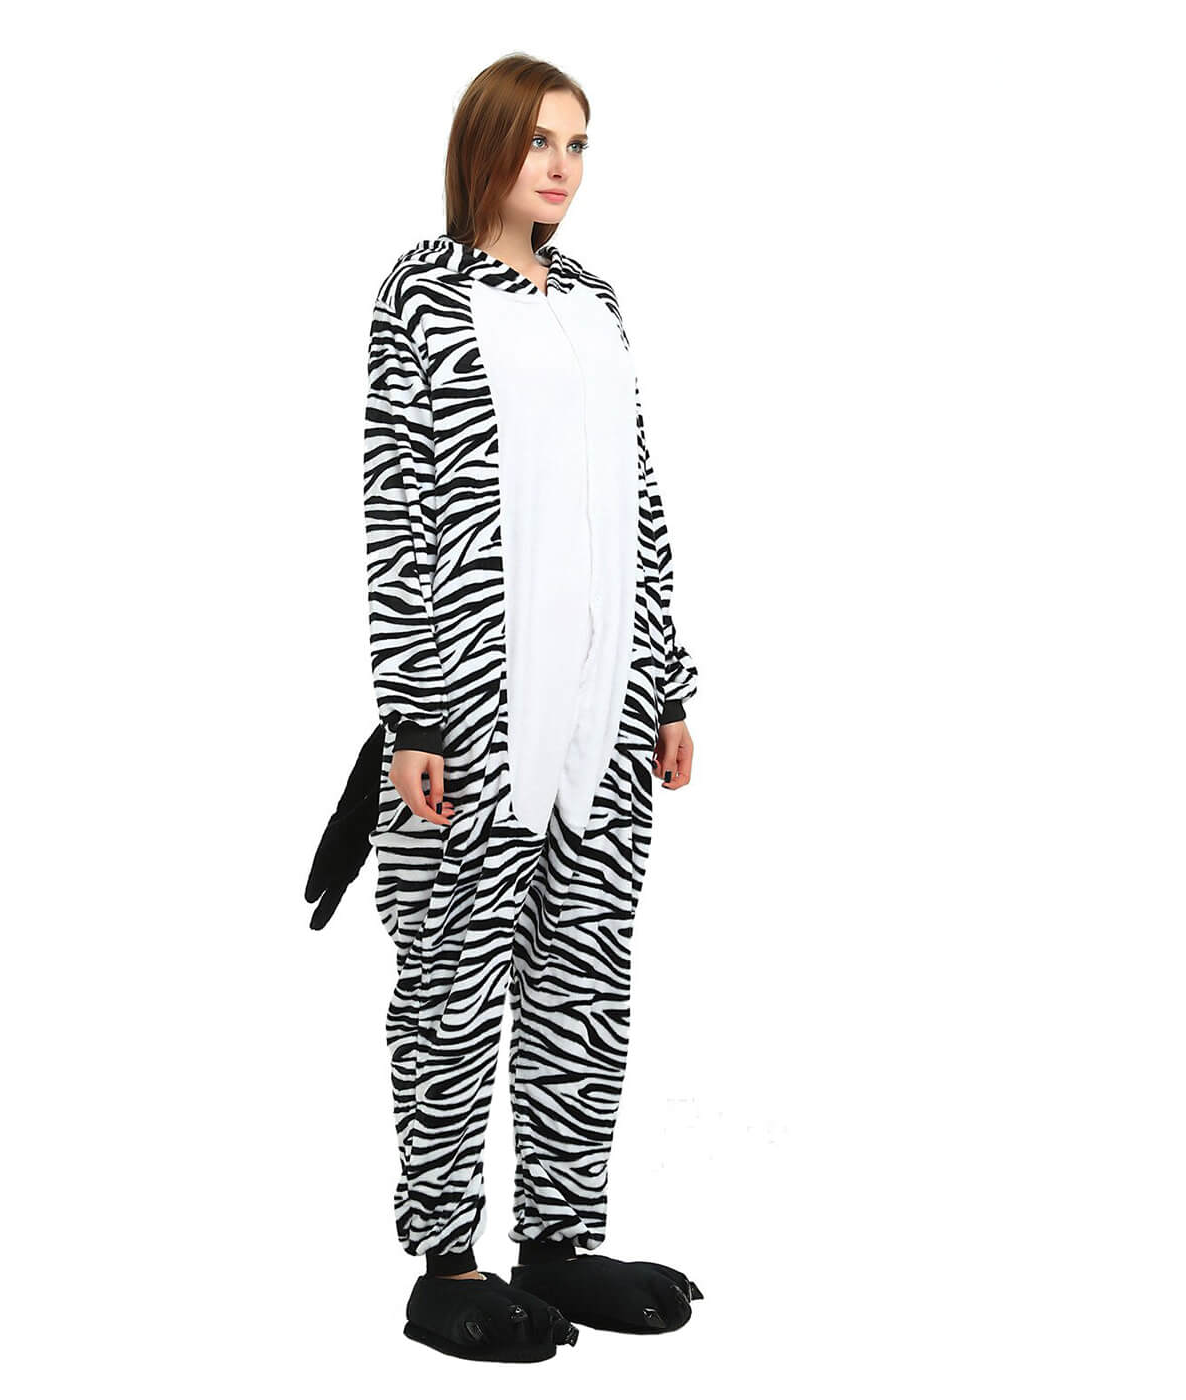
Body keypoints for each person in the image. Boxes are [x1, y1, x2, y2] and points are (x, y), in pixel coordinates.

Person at [360, 54, 705, 1361]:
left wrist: (669, 684)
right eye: (540, 140)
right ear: (487, 147)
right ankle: (446, 1265)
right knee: (452, 983)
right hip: (475, 707)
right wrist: (414, 715)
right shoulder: (424, 294)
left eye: (579, 143)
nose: (562, 166)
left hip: (606, 704)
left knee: (585, 975)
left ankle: (559, 1242)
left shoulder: (597, 304)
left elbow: (640, 501)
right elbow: (398, 510)